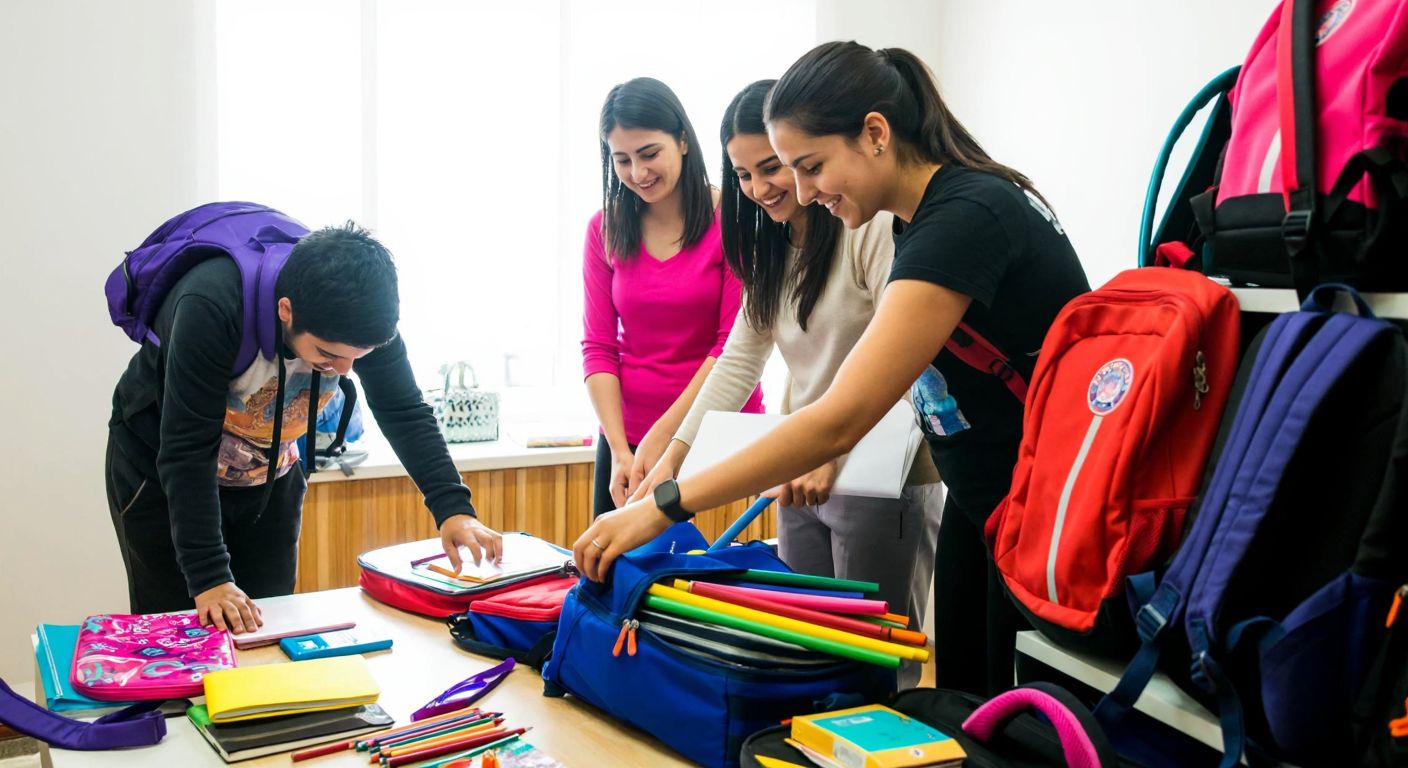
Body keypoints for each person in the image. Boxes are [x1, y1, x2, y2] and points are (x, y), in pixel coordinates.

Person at [574, 43, 1091, 696]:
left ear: (875, 133)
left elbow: (842, 415)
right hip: (984, 497)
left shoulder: (962, 218)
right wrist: (666, 453)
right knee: (964, 698)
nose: (800, 190)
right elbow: (749, 364)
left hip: (1038, 503)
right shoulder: (917, 223)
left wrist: (666, 504)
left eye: (808, 167)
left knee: (991, 701)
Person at [628, 80, 943, 685]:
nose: (761, 188)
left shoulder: (867, 227)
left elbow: (913, 361)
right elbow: (738, 362)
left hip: (884, 474)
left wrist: (837, 450)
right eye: (743, 176)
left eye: (773, 167)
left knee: (872, 666)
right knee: (801, 655)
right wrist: (671, 459)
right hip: (798, 467)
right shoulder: (771, 245)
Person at [107, 221, 503, 633]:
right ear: (286, 310)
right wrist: (209, 577)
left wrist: (454, 508)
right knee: (182, 631)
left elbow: (403, 410)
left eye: (358, 356)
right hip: (163, 475)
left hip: (268, 471)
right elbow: (187, 450)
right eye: (328, 354)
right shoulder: (211, 303)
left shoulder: (361, 318)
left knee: (270, 625)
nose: (345, 369)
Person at [583, 76, 762, 518]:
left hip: (718, 436)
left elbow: (731, 348)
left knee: (710, 580)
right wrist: (621, 447)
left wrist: (664, 437)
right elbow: (599, 348)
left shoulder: (734, 223)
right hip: (628, 447)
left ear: (682, 140)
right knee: (619, 580)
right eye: (621, 159)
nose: (638, 173)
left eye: (649, 154)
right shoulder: (602, 229)